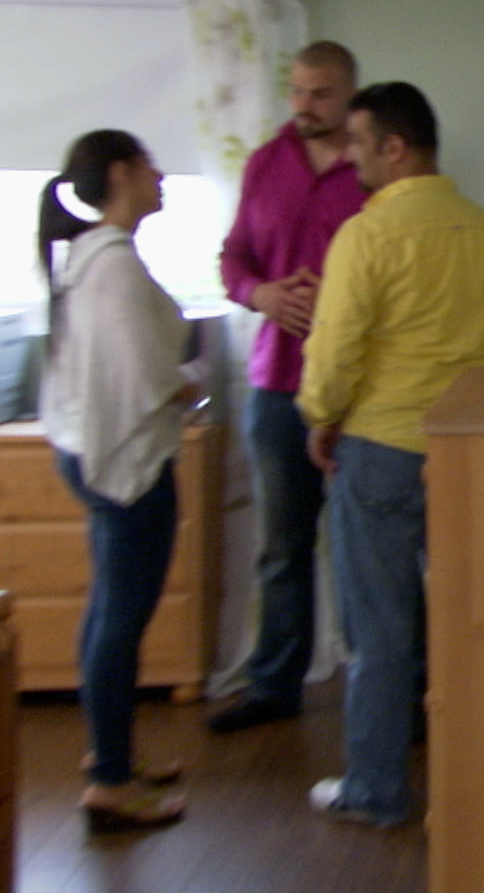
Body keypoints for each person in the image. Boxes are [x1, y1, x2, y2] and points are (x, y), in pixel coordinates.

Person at [298, 81, 484, 826]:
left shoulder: (366, 235)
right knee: (475, 624)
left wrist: (320, 416)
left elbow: (334, 351)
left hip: (378, 450)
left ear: (395, 148)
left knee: (381, 635)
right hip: (465, 457)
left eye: (358, 143)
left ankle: (376, 789)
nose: (349, 157)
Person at [38, 129, 204, 831]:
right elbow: (144, 374)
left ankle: (111, 754)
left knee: (109, 608)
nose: (160, 175)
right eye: (149, 164)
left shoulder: (93, 260)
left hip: (87, 453)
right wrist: (191, 388)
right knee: (121, 618)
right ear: (120, 173)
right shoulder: (112, 268)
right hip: (125, 466)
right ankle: (110, 780)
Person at [208, 40, 370, 733]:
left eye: (320, 93)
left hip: (362, 391)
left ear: (349, 93)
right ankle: (275, 686)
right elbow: (233, 258)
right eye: (297, 91)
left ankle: (391, 689)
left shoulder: (374, 167)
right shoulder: (266, 163)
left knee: (369, 549)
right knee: (281, 547)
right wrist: (262, 293)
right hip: (277, 385)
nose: (305, 105)